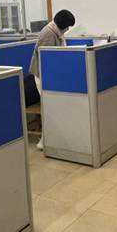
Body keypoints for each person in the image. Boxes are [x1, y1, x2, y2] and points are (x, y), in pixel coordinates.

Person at [29, 9, 76, 150]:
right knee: (50, 107)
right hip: (43, 76)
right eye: (67, 26)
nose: (67, 30)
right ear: (62, 25)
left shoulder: (55, 31)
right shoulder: (48, 34)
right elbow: (47, 60)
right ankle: (45, 141)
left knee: (54, 106)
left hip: (50, 75)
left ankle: (51, 139)